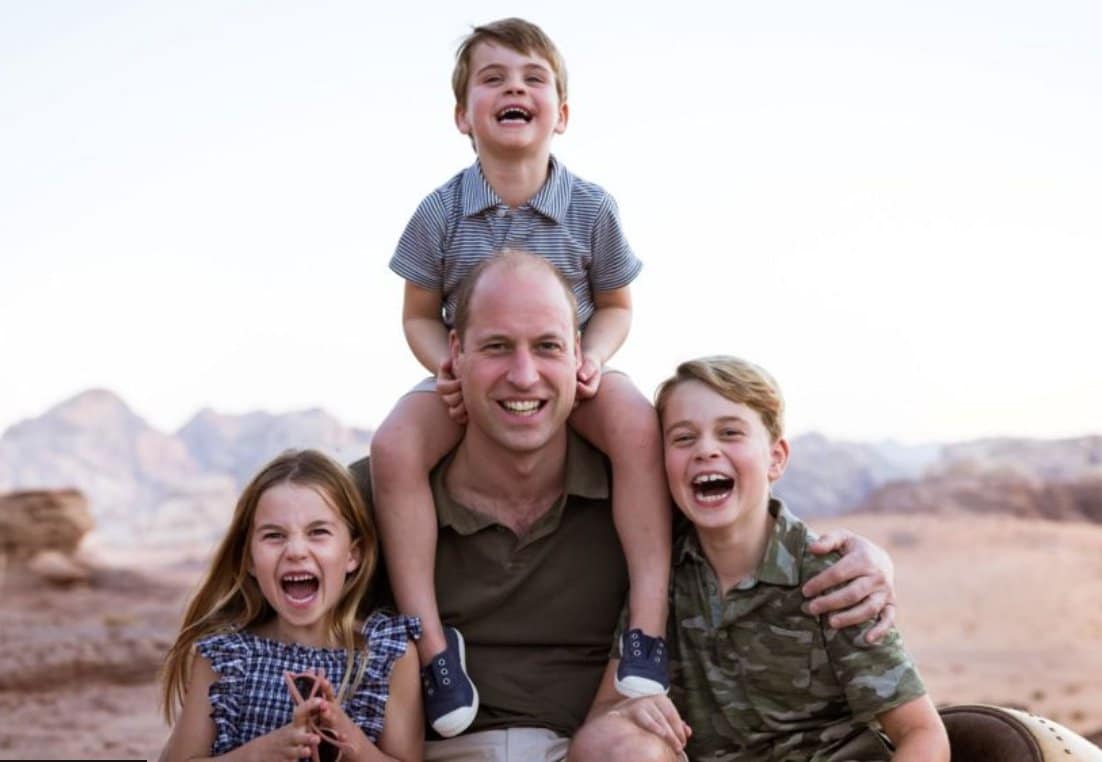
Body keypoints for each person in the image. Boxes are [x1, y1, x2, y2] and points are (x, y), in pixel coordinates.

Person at [350, 251, 898, 762]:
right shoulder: (384, 495)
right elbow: (278, 568)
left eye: (546, 346)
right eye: (497, 347)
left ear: (579, 357)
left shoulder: (642, 489)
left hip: (589, 746)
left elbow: (749, 535)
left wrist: (871, 558)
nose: (523, 375)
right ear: (455, 354)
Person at [370, 17, 672, 737]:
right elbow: (416, 314)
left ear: (561, 114)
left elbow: (617, 305)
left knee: (636, 422)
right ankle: (435, 648)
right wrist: (440, 364)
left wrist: (592, 356)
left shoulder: (591, 208)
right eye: (494, 79)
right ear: (462, 115)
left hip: (568, 370)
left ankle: (648, 627)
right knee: (393, 447)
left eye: (534, 78)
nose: (515, 88)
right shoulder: (440, 212)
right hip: (473, 375)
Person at [572, 357, 949, 761]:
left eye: (730, 432)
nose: (706, 451)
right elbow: (603, 722)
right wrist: (629, 710)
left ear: (776, 458)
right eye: (683, 439)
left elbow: (922, 733)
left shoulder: (832, 576)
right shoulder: (660, 574)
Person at [159, 449, 423, 762]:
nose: (296, 550)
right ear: (250, 561)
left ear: (354, 554)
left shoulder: (387, 654)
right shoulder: (225, 658)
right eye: (274, 535)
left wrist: (347, 736)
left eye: (318, 533)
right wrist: (259, 754)